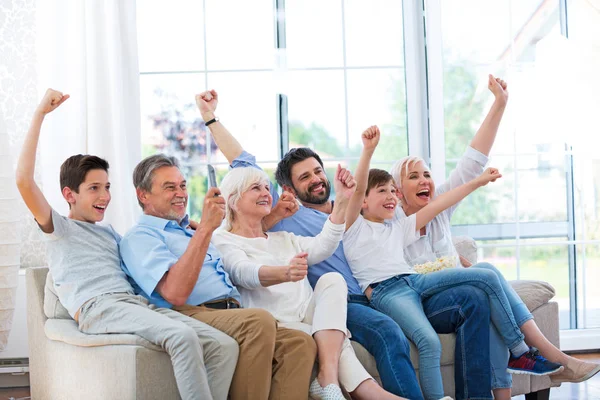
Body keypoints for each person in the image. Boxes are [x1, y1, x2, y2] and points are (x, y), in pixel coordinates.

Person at [196, 89, 496, 400]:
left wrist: (452, 258)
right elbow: (243, 166)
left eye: (317, 171)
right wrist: (211, 117)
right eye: (304, 178)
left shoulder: (355, 207)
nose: (315, 179)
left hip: (386, 290)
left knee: (471, 299)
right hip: (347, 302)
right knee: (388, 333)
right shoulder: (288, 217)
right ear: (288, 189)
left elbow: (402, 224)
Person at [16, 89, 238, 400]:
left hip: (133, 304)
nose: (104, 196)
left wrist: (189, 226)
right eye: (94, 188)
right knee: (182, 336)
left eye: (106, 187)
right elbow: (24, 181)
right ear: (70, 194)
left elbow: (145, 255)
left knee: (224, 346)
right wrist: (39, 114)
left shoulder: (111, 235)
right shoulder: (60, 229)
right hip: (99, 308)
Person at [391, 77, 600, 396]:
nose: (425, 181)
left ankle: (522, 372)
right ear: (397, 191)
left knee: (483, 298)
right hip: (428, 304)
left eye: (428, 174)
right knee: (485, 275)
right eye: (413, 176)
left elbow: (472, 162)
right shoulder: (393, 224)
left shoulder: (440, 208)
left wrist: (499, 104)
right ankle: (545, 356)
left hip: (463, 296)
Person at [343, 125, 562, 399]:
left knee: (487, 275)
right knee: (430, 343)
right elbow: (359, 186)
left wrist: (477, 182)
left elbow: (440, 203)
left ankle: (519, 351)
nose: (391, 197)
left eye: (392, 192)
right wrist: (368, 151)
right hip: (387, 291)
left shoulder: (398, 228)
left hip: (412, 280)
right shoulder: (352, 227)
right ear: (362, 201)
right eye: (382, 192)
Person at [119, 154, 317, 400]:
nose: (181, 193)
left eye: (182, 185)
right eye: (169, 187)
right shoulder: (141, 237)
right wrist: (204, 229)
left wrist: (272, 215)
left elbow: (240, 233)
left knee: (299, 343)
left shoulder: (188, 230)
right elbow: (175, 293)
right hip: (189, 311)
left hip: (230, 312)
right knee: (259, 321)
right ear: (143, 195)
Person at [212, 166, 407, 400]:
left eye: (266, 187)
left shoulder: (282, 238)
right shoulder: (223, 238)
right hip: (277, 321)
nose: (265, 192)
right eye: (256, 188)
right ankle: (364, 392)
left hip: (308, 312)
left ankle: (329, 381)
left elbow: (323, 245)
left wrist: (343, 201)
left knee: (333, 280)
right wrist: (285, 272)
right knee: (332, 338)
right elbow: (242, 272)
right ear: (233, 200)